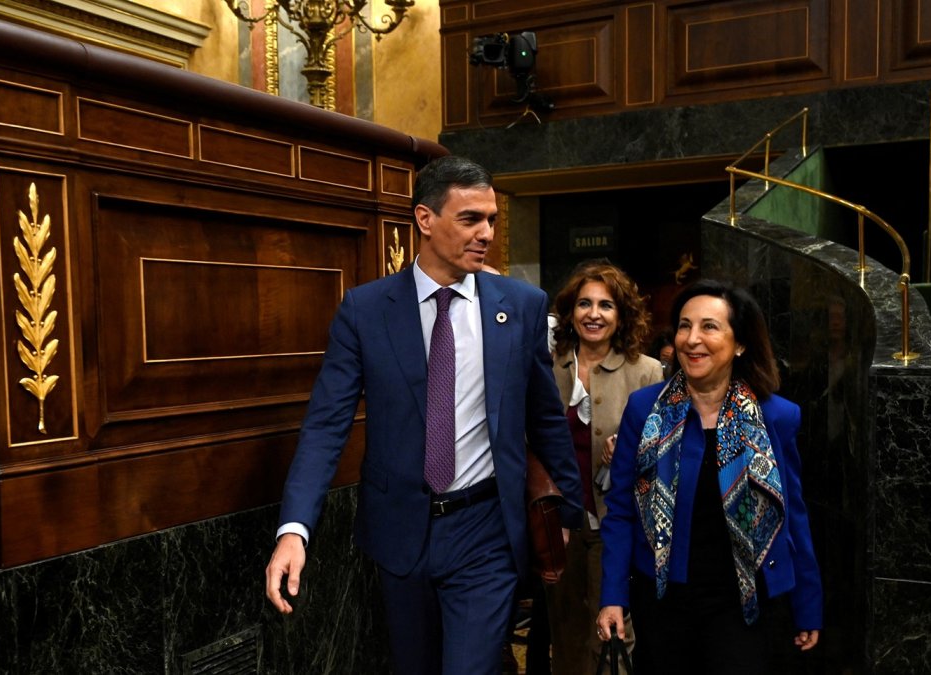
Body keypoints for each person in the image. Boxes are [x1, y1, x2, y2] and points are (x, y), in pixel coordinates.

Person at [264, 155, 585, 675]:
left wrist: (565, 511)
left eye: (491, 220)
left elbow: (546, 417)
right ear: (424, 220)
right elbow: (326, 426)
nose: (485, 233)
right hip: (400, 532)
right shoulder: (365, 311)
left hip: (487, 530)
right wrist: (294, 529)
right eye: (470, 219)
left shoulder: (521, 306)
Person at [596, 279, 823, 674]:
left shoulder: (776, 417)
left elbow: (793, 516)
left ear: (740, 343)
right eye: (684, 326)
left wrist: (808, 605)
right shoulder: (644, 410)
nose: (692, 339)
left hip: (746, 602)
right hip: (664, 599)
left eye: (709, 327)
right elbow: (620, 511)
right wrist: (613, 595)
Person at [547, 261, 663, 675]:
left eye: (606, 305)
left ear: (622, 315)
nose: (593, 314)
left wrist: (634, 451)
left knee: (612, 634)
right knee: (565, 635)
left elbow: (665, 458)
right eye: (584, 304)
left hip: (614, 526)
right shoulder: (546, 365)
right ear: (570, 312)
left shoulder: (647, 372)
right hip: (556, 527)